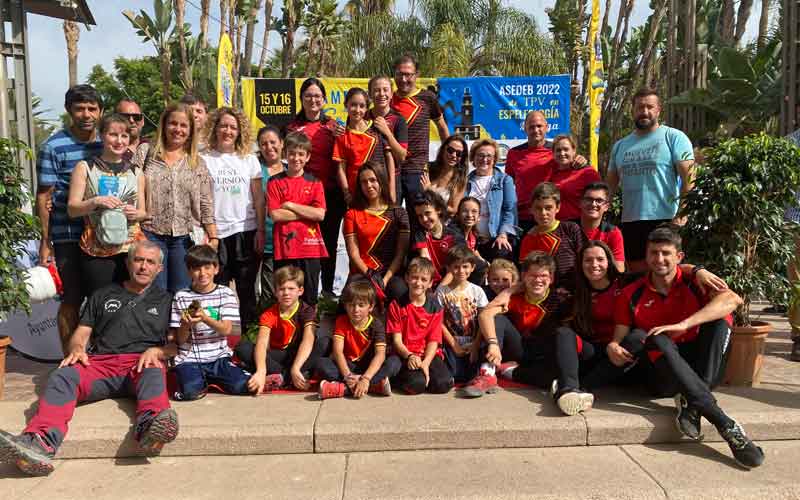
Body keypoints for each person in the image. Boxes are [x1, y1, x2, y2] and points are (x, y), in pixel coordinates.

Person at [0, 241, 178, 476]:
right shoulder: (102, 295)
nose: (143, 266)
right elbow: (81, 335)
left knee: (155, 369)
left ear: (159, 269)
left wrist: (159, 351)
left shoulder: (168, 300)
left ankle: (152, 431)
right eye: (138, 260)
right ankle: (38, 444)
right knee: (63, 375)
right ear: (127, 263)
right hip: (101, 365)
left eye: (150, 262)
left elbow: (176, 345)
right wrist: (76, 349)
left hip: (141, 363)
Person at [592, 226, 764, 468]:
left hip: (701, 367)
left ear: (679, 257)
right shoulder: (631, 293)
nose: (659, 259)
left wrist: (684, 324)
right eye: (653, 253)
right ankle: (724, 423)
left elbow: (733, 300)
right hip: (662, 374)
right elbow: (618, 337)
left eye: (665, 253)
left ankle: (691, 400)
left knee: (719, 320)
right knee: (655, 337)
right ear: (646, 255)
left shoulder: (696, 281)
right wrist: (613, 346)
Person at [36, 84, 104, 353]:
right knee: (72, 298)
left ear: (100, 111)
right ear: (69, 111)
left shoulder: (107, 142)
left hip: (102, 236)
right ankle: (69, 358)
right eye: (80, 108)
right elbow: (44, 197)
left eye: (92, 108)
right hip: (67, 234)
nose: (86, 114)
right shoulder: (53, 146)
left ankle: (100, 358)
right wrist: (46, 239)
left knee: (102, 299)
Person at [606, 87, 695, 274]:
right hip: (631, 221)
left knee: (666, 275)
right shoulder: (620, 146)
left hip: (665, 219)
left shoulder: (674, 137)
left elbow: (689, 179)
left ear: (658, 110)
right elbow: (609, 187)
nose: (644, 112)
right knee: (636, 275)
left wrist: (681, 215)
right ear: (633, 110)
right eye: (639, 107)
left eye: (649, 107)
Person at [133, 103, 218, 294]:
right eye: (173, 123)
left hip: (185, 237)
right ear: (164, 124)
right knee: (154, 291)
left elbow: (206, 201)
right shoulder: (145, 152)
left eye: (183, 125)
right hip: (150, 233)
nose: (177, 129)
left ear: (190, 130)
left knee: (181, 292)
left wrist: (213, 237)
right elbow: (129, 189)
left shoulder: (196, 161)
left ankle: (177, 326)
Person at [67, 113, 147, 298]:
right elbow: (72, 209)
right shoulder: (85, 167)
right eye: (113, 135)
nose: (119, 141)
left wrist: (136, 214)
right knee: (101, 305)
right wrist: (95, 202)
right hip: (96, 249)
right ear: (101, 135)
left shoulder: (136, 172)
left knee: (130, 305)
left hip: (131, 250)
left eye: (124, 136)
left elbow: (144, 212)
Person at [201, 107, 265, 328]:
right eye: (223, 126)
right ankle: (215, 340)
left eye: (233, 127)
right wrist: (207, 232)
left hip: (245, 231)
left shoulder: (248, 159)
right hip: (216, 234)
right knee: (216, 289)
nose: (228, 131)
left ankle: (249, 336)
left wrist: (260, 231)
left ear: (240, 132)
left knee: (246, 290)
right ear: (215, 128)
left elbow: (258, 199)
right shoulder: (203, 158)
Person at [474, 252, 569, 397]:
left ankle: (509, 372)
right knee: (498, 317)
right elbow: (485, 314)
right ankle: (487, 372)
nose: (538, 280)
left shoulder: (561, 299)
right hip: (520, 349)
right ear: (524, 276)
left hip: (543, 354)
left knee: (558, 376)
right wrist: (493, 343)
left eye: (543, 276)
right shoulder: (513, 297)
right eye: (532, 275)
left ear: (551, 278)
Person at [286, 78, 342, 300]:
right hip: (301, 195)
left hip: (330, 194)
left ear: (324, 100)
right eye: (308, 95)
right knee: (303, 245)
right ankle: (301, 294)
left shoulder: (333, 126)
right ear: (301, 98)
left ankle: (327, 291)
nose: (313, 100)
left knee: (327, 245)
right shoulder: (291, 127)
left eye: (317, 96)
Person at [170, 244, 251, 400]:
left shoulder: (225, 293)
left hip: (219, 356)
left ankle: (215, 377)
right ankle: (201, 380)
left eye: (207, 267)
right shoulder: (181, 296)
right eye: (196, 269)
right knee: (190, 393)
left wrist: (205, 318)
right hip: (190, 358)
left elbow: (228, 330)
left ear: (216, 269)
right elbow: (179, 340)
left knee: (244, 385)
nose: (202, 273)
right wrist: (186, 325)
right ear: (189, 271)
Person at [236, 266, 326, 392]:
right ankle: (288, 377)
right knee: (243, 348)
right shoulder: (269, 314)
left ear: (300, 291)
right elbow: (262, 343)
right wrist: (261, 371)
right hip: (277, 356)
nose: (286, 293)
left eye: (291, 288)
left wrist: (296, 367)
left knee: (325, 342)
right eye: (282, 289)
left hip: (299, 356)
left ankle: (286, 376)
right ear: (275, 291)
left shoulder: (307, 311)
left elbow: (308, 340)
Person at [267, 132, 328, 305]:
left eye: (301, 154)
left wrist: (291, 205)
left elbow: (320, 214)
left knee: (309, 298)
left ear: (308, 156)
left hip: (310, 248)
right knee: (285, 298)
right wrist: (308, 212)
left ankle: (309, 331)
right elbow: (276, 214)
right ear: (285, 154)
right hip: (285, 249)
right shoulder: (274, 182)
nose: (296, 158)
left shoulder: (315, 182)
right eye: (292, 153)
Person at [384, 257, 453, 394]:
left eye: (423, 279)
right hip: (405, 354)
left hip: (427, 353)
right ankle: (397, 379)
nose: (418, 283)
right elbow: (397, 341)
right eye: (414, 278)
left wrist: (426, 363)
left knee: (443, 384)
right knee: (416, 385)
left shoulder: (435, 307)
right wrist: (409, 356)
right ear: (407, 278)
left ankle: (425, 375)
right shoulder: (396, 305)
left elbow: (434, 341)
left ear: (430, 283)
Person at [343, 162, 410, 303]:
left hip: (391, 274)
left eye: (373, 180)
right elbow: (353, 254)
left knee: (402, 294)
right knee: (349, 304)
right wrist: (370, 275)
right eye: (363, 182)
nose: (368, 185)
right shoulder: (352, 214)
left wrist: (385, 280)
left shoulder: (399, 213)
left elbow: (400, 254)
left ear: (381, 180)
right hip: (363, 273)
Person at [316, 281, 394, 399]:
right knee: (321, 363)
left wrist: (366, 378)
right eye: (351, 305)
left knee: (394, 363)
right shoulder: (342, 321)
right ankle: (372, 386)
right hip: (348, 367)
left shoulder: (376, 325)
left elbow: (380, 354)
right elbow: (337, 352)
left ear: (371, 307)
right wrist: (347, 376)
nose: (356, 309)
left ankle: (344, 389)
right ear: (346, 305)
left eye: (361, 305)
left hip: (368, 367)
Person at [391, 54, 449, 205]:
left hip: (417, 170)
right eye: (399, 74)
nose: (403, 79)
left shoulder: (428, 98)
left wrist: (447, 158)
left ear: (417, 75)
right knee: (391, 219)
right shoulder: (387, 99)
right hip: (391, 170)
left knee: (419, 220)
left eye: (408, 75)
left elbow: (442, 127)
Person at [519, 182, 587, 293]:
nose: (543, 213)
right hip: (546, 295)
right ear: (531, 209)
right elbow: (526, 275)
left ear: (558, 207)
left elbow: (584, 259)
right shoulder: (529, 239)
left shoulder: (571, 229)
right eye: (538, 208)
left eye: (548, 208)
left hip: (576, 291)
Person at [435, 245, 489, 385]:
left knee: (472, 376)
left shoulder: (477, 291)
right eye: (456, 266)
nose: (461, 271)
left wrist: (476, 346)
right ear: (449, 267)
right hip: (451, 343)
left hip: (474, 342)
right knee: (456, 375)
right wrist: (454, 346)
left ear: (472, 267)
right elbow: (438, 322)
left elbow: (484, 321)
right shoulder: (441, 292)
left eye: (465, 266)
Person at [333, 87, 394, 203]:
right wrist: (346, 193)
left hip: (378, 189)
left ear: (367, 108)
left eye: (362, 106)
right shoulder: (342, 135)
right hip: (355, 191)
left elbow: (389, 159)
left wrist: (391, 190)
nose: (357, 110)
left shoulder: (377, 128)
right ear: (346, 105)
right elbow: (341, 168)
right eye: (353, 105)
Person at [505, 111, 556, 235]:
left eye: (539, 126)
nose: (535, 130)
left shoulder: (556, 151)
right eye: (531, 127)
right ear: (525, 128)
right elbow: (508, 183)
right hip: (523, 217)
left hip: (550, 216)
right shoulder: (514, 153)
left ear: (547, 127)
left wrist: (580, 160)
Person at [465, 138, 516, 262]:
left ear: (494, 159)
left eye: (489, 156)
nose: (484, 159)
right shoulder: (465, 181)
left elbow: (510, 211)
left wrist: (503, 234)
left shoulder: (505, 180)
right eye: (480, 155)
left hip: (496, 238)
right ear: (473, 158)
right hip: (472, 239)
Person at [256, 125, 285, 308]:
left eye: (273, 142)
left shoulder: (293, 168)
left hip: (290, 242)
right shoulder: (256, 170)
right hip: (267, 239)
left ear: (282, 144)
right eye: (263, 144)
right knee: (268, 291)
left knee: (287, 289)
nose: (269, 147)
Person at [367, 75, 409, 202]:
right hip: (367, 181)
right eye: (377, 90)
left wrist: (387, 132)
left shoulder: (399, 120)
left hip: (391, 181)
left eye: (385, 90)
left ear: (391, 94)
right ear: (370, 94)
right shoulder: (362, 117)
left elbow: (402, 156)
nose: (381, 94)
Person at [412, 190, 465, 285]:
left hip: (451, 283)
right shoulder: (420, 233)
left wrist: (441, 288)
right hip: (428, 282)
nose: (424, 219)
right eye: (420, 216)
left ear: (438, 210)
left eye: (427, 213)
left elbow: (456, 268)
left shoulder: (455, 236)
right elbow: (425, 259)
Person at [548, 134, 601, 222]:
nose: (562, 153)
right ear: (553, 153)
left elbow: (600, 200)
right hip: (556, 226)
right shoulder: (552, 173)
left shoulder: (587, 172)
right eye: (558, 150)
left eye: (566, 149)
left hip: (580, 224)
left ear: (574, 151)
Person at [579, 182, 625, 272]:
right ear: (580, 203)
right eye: (588, 199)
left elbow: (619, 270)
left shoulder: (613, 232)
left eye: (599, 201)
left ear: (606, 206)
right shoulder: (567, 229)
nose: (593, 204)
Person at [421, 135, 469, 215]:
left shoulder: (460, 179)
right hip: (420, 219)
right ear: (443, 149)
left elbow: (453, 209)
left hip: (443, 224)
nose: (454, 155)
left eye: (459, 153)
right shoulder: (428, 168)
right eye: (450, 150)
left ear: (462, 157)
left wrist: (430, 190)